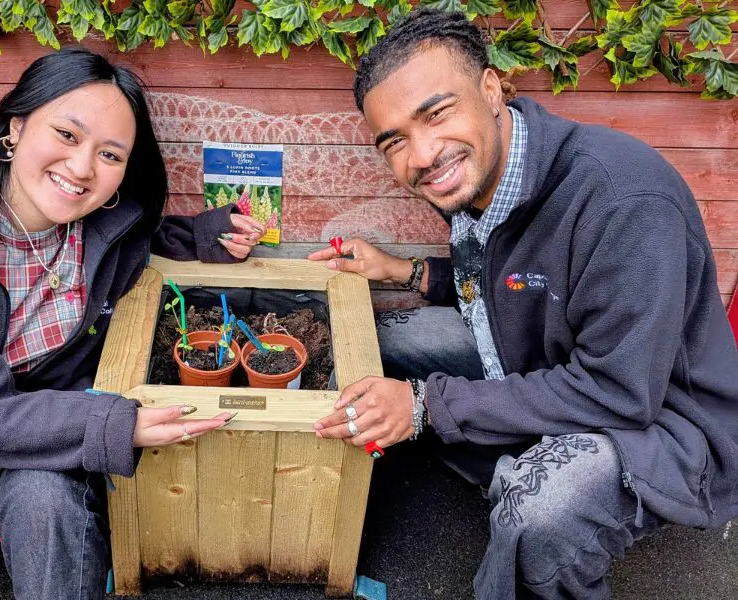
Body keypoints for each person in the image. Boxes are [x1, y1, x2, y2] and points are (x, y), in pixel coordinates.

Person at [309, 8, 738, 599]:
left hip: (665, 426)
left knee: (538, 509)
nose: (423, 154)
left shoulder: (623, 200)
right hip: (543, 365)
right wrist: (403, 271)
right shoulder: (478, 173)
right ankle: (498, 451)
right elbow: (509, 283)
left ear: (490, 89)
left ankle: (524, 519)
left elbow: (619, 391)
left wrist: (426, 405)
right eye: (395, 142)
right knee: (392, 338)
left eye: (435, 114)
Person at [0, 48, 264, 600]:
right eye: (67, 134)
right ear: (16, 127)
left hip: (43, 447)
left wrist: (211, 235)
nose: (83, 167)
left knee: (45, 493)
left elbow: (147, 237)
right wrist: (112, 424)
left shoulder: (107, 225)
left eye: (110, 155)